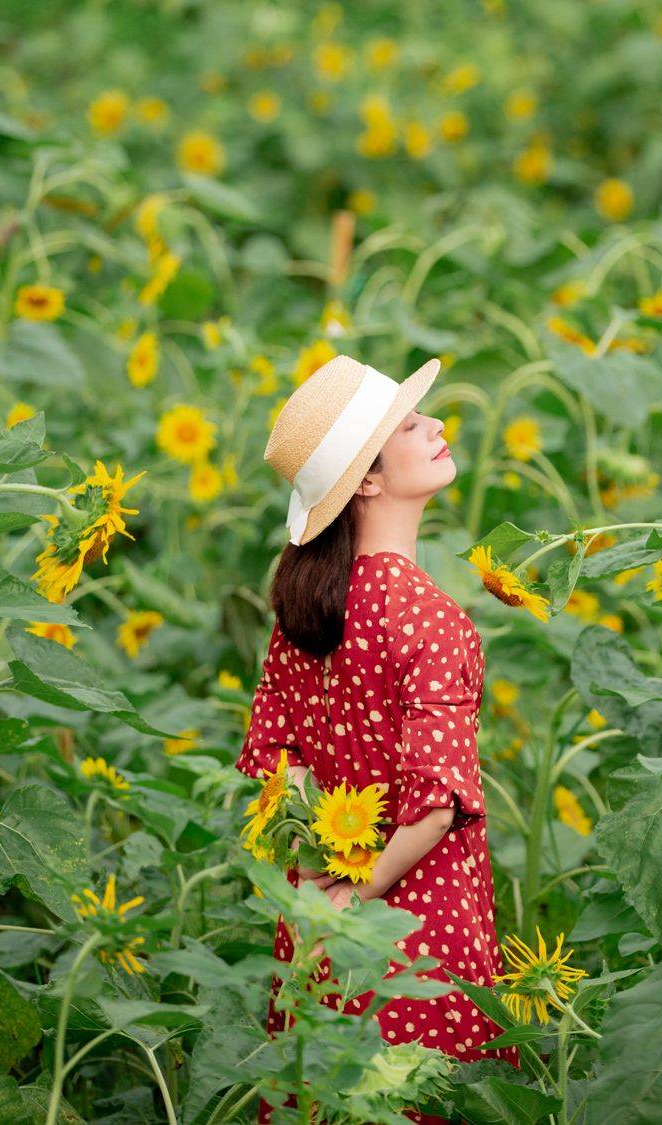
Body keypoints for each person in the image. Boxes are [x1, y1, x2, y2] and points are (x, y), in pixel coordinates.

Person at [234, 353, 518, 1123]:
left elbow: (277, 764)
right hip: (421, 938)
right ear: (366, 478)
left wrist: (321, 892)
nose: (437, 424)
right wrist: (364, 895)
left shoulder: (304, 615)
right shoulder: (431, 619)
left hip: (320, 934)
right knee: (424, 1098)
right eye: (408, 423)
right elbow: (437, 802)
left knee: (322, 1099)